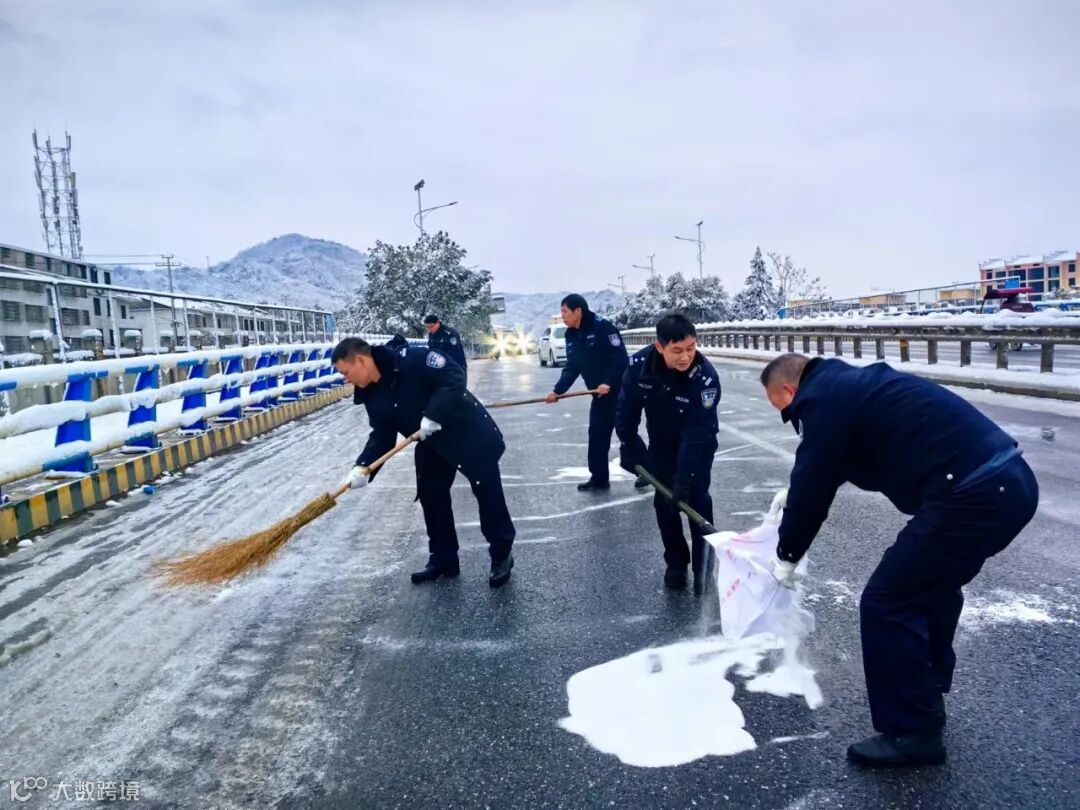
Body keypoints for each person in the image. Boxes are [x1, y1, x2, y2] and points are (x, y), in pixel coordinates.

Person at [759, 353, 1039, 767]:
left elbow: (814, 480)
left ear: (790, 389)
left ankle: (912, 731)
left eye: (787, 411)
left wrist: (787, 554)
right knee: (930, 588)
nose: (794, 420)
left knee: (888, 600)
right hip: (1009, 483)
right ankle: (925, 695)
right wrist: (799, 491)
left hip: (974, 495)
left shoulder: (820, 399)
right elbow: (837, 458)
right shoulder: (847, 386)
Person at [333, 337, 515, 587]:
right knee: (431, 494)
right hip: (432, 442)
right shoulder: (371, 393)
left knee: (487, 491)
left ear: (361, 361)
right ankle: (444, 559)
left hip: (466, 430)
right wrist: (362, 466)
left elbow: (453, 376)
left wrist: (434, 414)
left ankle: (501, 553)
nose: (346, 379)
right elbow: (382, 435)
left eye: (346, 372)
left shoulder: (413, 359)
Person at [616, 314, 720, 593]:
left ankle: (703, 568)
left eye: (691, 348)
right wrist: (630, 447)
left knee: (696, 499)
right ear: (659, 347)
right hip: (661, 441)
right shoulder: (639, 367)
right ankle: (676, 563)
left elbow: (696, 433)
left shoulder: (705, 377)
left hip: (698, 444)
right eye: (677, 350)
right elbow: (626, 412)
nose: (685, 357)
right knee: (665, 503)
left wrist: (684, 478)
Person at [544, 294, 628, 491]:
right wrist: (557, 391)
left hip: (618, 393)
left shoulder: (602, 327)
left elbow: (620, 359)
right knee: (596, 435)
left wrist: (609, 382)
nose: (563, 316)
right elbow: (572, 367)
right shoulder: (571, 335)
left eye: (565, 312)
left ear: (578, 311)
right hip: (598, 395)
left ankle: (650, 473)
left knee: (627, 434)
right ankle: (599, 478)